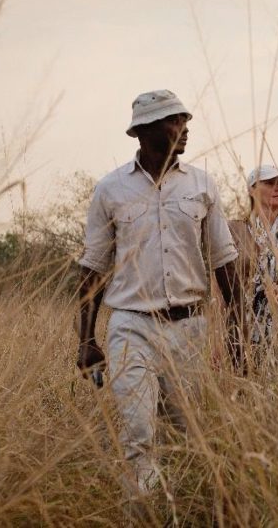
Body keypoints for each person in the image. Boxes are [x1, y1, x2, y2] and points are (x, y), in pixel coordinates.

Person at [74, 90, 239, 501]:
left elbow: (223, 260)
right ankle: (144, 511)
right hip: (132, 326)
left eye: (185, 120)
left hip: (189, 329)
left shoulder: (202, 185)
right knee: (138, 432)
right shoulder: (110, 190)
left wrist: (238, 330)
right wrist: (85, 340)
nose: (184, 130)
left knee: (187, 433)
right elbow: (92, 268)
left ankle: (185, 508)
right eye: (174, 122)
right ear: (144, 132)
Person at [227, 164, 278, 370]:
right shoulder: (233, 229)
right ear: (251, 189)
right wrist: (217, 341)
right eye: (270, 182)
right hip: (240, 329)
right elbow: (219, 291)